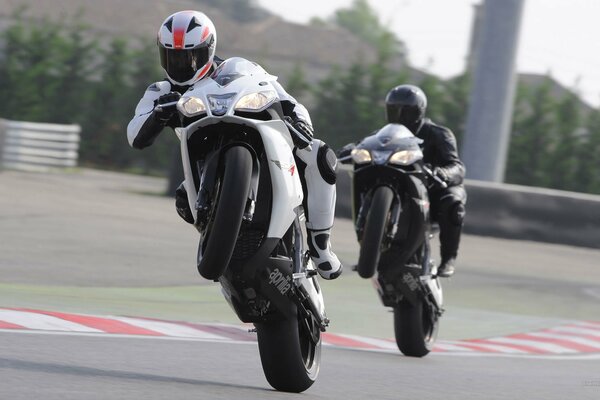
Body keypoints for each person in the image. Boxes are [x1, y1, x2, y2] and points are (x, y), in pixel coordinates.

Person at [126, 10, 342, 279]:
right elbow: (135, 136)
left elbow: (286, 98)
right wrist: (159, 114)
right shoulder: (159, 92)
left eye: (190, 57)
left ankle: (321, 246)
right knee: (182, 200)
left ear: (209, 50)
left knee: (320, 155)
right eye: (172, 57)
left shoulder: (237, 68)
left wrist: (300, 122)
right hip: (204, 172)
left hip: (255, 138)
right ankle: (218, 237)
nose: (181, 65)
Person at [384, 84, 466, 277]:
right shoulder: (385, 135)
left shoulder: (439, 134)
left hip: (435, 190)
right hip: (400, 189)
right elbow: (367, 145)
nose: (400, 117)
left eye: (406, 112)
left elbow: (457, 167)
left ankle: (448, 259)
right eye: (394, 111)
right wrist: (352, 150)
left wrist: (441, 174)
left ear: (418, 113)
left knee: (453, 204)